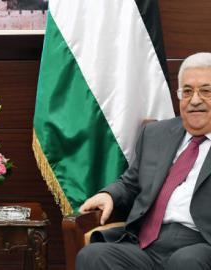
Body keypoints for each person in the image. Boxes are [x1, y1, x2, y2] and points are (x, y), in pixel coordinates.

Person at [76, 52, 211, 270]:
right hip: (146, 241)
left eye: (206, 91)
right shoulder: (156, 134)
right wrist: (108, 194)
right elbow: (130, 182)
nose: (195, 100)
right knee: (93, 255)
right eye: (187, 91)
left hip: (201, 243)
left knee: (185, 262)